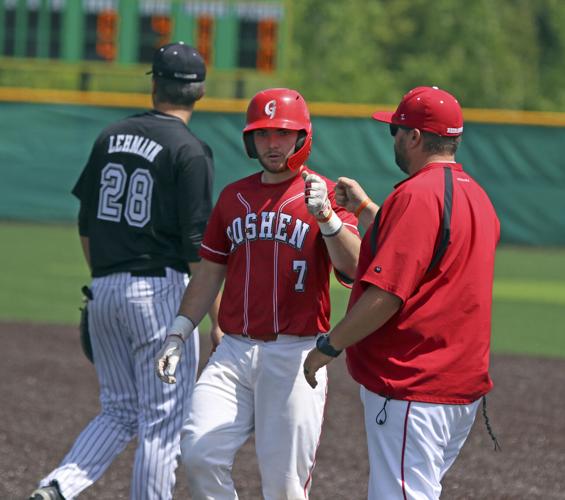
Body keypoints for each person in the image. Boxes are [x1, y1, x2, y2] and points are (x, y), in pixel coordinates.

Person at [29, 42, 219, 500]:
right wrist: (216, 317)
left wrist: (108, 282)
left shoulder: (108, 137)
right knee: (162, 421)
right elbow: (199, 249)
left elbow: (86, 225)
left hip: (104, 289)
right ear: (200, 91)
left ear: (154, 84)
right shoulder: (190, 150)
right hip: (159, 294)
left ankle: (58, 487)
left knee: (119, 410)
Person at [155, 87, 361, 499]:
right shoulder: (234, 197)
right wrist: (179, 329)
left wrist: (328, 220)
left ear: (302, 136)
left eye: (283, 133)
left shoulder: (324, 196)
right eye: (263, 134)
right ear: (250, 140)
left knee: (284, 487)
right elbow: (209, 272)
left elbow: (355, 268)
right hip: (232, 351)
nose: (273, 143)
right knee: (198, 453)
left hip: (296, 354)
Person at [303, 86, 500, 500]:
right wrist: (365, 209)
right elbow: (420, 251)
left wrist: (329, 346)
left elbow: (387, 294)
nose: (392, 136)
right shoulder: (477, 195)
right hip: (458, 387)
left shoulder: (416, 195)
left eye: (396, 128)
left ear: (414, 137)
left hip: (413, 383)